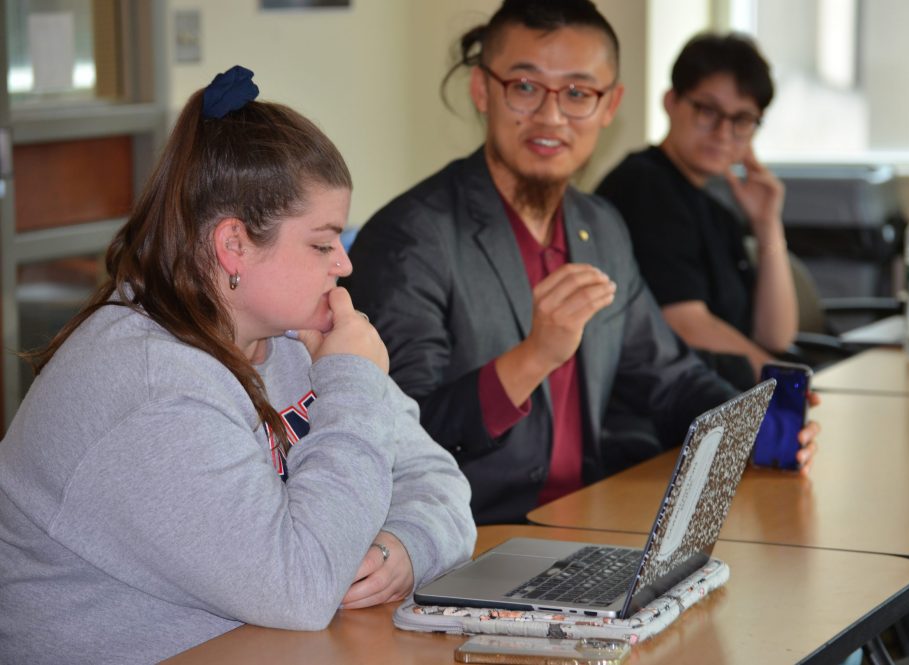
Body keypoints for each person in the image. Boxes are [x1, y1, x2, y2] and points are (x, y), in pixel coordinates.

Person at [0, 66, 475, 664]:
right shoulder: (152, 389)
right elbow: (302, 587)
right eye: (323, 243)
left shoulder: (296, 338)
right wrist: (354, 382)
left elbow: (439, 480)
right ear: (233, 245)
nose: (344, 267)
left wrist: (404, 547)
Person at [344, 1, 818, 526]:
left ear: (610, 105)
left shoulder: (602, 227)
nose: (551, 117)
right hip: (470, 539)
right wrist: (535, 355)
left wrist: (755, 426)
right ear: (483, 90)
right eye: (525, 87)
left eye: (577, 94)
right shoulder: (412, 238)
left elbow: (667, 377)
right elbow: (401, 436)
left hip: (585, 520)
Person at [596, 32, 795, 388]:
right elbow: (686, 323)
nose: (723, 133)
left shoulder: (715, 208)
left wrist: (767, 225)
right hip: (661, 410)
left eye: (742, 120)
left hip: (721, 396)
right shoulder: (645, 186)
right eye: (707, 111)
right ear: (671, 102)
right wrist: (782, 383)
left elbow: (775, 336)